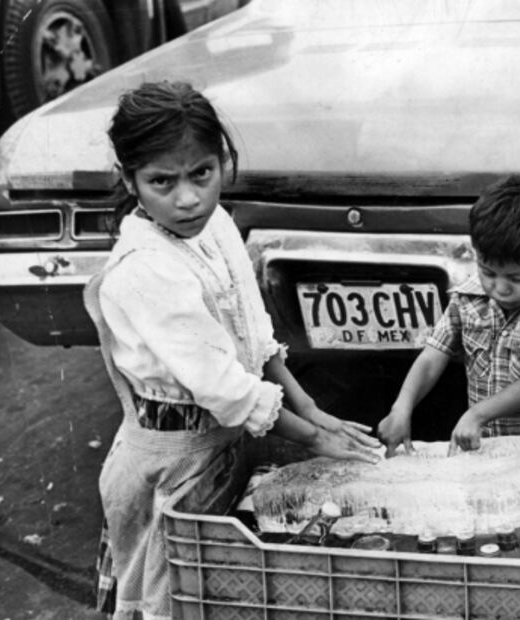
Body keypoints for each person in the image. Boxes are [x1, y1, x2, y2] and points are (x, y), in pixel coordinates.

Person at [84, 81, 380, 620]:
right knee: (173, 598)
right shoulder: (145, 269)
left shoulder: (214, 224)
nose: (188, 198)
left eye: (201, 173)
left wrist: (309, 407)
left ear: (222, 161)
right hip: (170, 469)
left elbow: (252, 327)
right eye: (161, 182)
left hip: (221, 448)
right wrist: (313, 438)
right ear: (130, 180)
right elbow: (226, 389)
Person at [378, 174, 520, 456]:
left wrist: (477, 414)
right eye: (488, 272)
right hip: (487, 450)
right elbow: (432, 357)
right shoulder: (468, 297)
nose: (500, 288)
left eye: (518, 278)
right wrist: (402, 407)